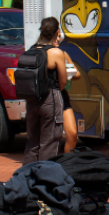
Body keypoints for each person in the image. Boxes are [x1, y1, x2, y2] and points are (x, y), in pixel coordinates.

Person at [23, 18, 68, 164]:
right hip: (50, 98)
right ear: (56, 32)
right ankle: (45, 180)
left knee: (32, 142)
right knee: (49, 143)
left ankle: (26, 178)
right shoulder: (56, 53)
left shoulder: (31, 50)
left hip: (31, 100)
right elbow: (63, 81)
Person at [53, 28, 81, 153]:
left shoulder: (63, 54)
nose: (58, 39)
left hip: (62, 95)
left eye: (59, 36)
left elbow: (77, 74)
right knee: (51, 137)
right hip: (48, 97)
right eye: (56, 36)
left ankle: (67, 164)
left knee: (72, 134)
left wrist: (70, 73)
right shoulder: (43, 53)